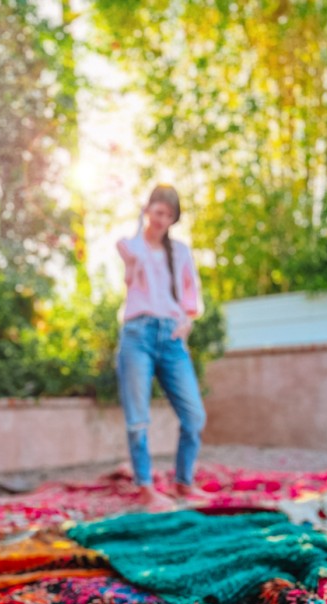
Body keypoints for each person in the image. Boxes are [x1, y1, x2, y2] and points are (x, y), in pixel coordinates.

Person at [115, 184, 207, 508]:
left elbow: (191, 299)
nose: (162, 219)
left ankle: (184, 482)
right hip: (137, 335)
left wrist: (186, 324)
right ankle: (145, 487)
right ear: (147, 209)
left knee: (194, 415)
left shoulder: (180, 252)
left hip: (170, 336)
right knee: (138, 418)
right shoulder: (130, 245)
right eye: (157, 211)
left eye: (169, 215)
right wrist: (142, 225)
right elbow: (131, 270)